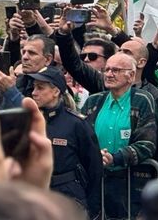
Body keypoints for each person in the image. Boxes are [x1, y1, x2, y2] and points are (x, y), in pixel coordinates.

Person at [81, 52, 156, 219]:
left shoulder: (142, 99)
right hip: (96, 179)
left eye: (115, 70)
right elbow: (81, 137)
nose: (108, 74)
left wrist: (115, 158)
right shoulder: (93, 101)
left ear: (130, 75)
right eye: (106, 69)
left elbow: (147, 143)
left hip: (129, 181)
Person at [28, 66, 102, 217]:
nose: (34, 93)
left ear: (56, 92)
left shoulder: (76, 124)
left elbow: (94, 166)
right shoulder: (27, 121)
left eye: (40, 88)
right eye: (34, 87)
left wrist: (93, 206)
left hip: (66, 193)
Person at [0, 34, 55, 108]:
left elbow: (37, 115)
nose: (24, 57)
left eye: (32, 53)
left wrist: (11, 91)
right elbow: (1, 114)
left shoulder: (54, 84)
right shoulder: (16, 81)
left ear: (48, 59)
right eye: (23, 52)